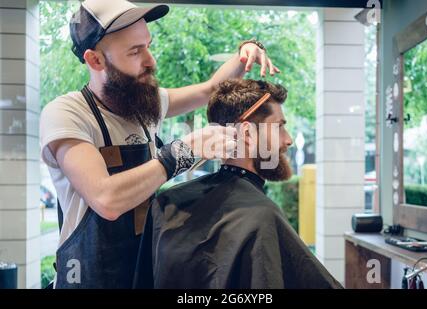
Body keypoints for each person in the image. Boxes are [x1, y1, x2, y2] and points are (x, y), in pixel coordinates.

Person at [39, 0, 279, 288]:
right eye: (135, 51)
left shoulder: (144, 106)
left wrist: (245, 53)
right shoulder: (67, 114)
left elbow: (208, 90)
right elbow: (106, 199)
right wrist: (183, 153)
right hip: (88, 276)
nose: (151, 60)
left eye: (148, 45)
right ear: (95, 60)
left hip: (143, 270)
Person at [135, 79, 342, 289]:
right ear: (246, 134)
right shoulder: (262, 216)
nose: (287, 139)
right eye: (279, 127)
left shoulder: (165, 203)